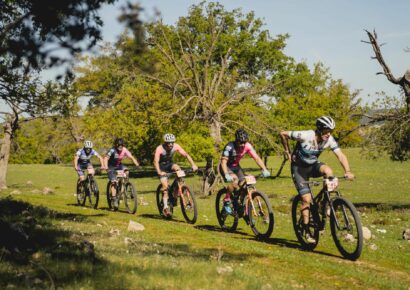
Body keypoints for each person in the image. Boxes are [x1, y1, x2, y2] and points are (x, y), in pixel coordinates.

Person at [280, 116, 354, 243]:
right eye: (326, 131)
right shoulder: (306, 135)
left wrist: (347, 171)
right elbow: (283, 134)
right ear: (319, 129)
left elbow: (340, 155)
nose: (328, 134)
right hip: (299, 169)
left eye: (331, 131)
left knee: (328, 171)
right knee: (306, 199)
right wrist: (287, 151)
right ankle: (306, 229)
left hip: (313, 165)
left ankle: (324, 203)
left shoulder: (329, 139)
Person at [220, 129, 270, 214]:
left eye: (244, 142)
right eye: (241, 142)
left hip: (236, 167)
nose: (243, 145)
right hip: (226, 167)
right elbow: (223, 162)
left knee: (245, 183)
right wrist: (226, 174)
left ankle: (240, 203)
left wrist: (264, 169)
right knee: (235, 180)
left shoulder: (247, 146)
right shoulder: (229, 146)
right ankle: (227, 200)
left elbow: (257, 158)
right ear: (236, 141)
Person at [154, 133, 198, 217]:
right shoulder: (159, 148)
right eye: (168, 143)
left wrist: (193, 165)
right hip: (161, 167)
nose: (170, 145)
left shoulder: (176, 146)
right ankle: (165, 207)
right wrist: (159, 172)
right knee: (165, 188)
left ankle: (177, 189)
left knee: (178, 169)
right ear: (165, 143)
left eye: (172, 143)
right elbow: (155, 161)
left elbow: (186, 155)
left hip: (170, 164)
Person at [104, 138, 140, 207]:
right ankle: (114, 198)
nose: (120, 147)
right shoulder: (112, 150)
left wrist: (137, 164)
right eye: (119, 145)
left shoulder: (124, 149)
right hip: (111, 166)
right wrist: (106, 168)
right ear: (116, 145)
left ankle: (126, 185)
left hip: (119, 165)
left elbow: (131, 157)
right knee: (113, 182)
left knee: (126, 171)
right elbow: (105, 158)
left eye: (121, 145)